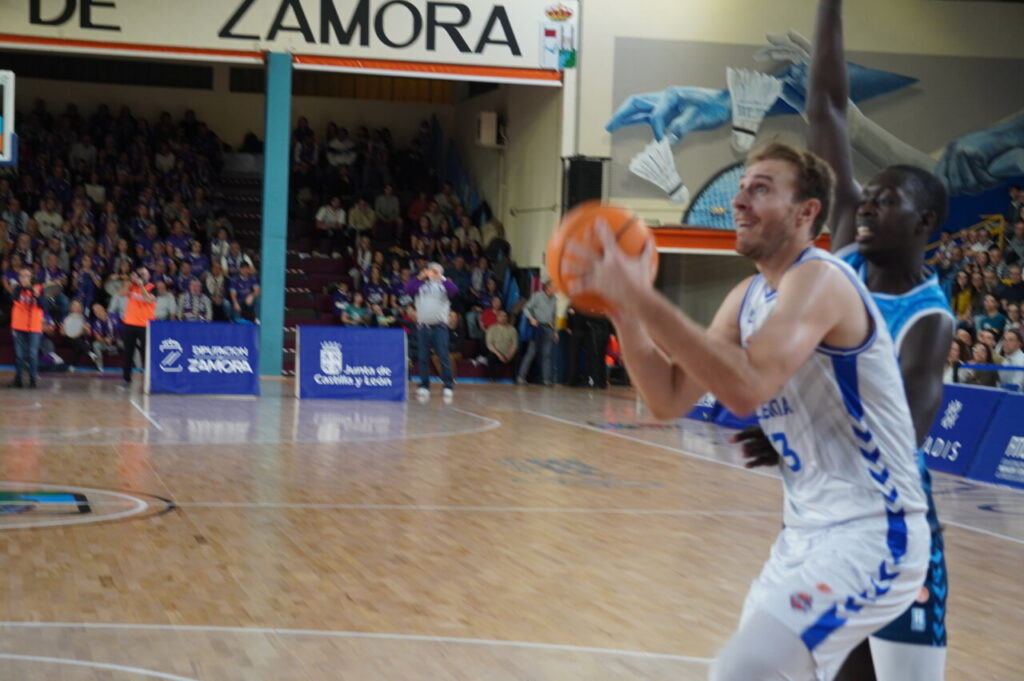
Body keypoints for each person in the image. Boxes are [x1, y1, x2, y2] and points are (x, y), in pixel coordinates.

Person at [564, 141, 929, 681]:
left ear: (806, 212)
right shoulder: (747, 296)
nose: (739, 201)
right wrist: (624, 312)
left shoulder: (820, 279)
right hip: (804, 535)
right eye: (740, 189)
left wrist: (642, 297)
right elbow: (667, 397)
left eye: (760, 189)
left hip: (876, 532)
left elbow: (746, 387)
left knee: (745, 670)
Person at [731, 5, 955, 680]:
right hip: (822, 523)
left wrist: (789, 424)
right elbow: (827, 104)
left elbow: (900, 431)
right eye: (868, 196)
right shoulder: (843, 256)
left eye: (886, 201)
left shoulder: (927, 318)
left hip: (890, 527)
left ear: (926, 223)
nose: (867, 208)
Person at [404, 262, 458, 399]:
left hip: (440, 328)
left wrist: (441, 277)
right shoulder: (420, 286)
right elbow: (408, 289)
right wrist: (419, 277)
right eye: (431, 270)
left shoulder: (444, 286)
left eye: (436, 271)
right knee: (423, 358)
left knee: (443, 357)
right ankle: (424, 385)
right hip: (423, 327)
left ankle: (447, 386)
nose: (432, 273)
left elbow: (455, 291)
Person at [516, 280, 558, 386]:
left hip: (549, 328)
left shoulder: (555, 300)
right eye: (554, 287)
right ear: (548, 288)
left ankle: (546, 380)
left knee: (547, 354)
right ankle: (521, 377)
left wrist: (556, 332)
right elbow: (526, 308)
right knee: (531, 352)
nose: (556, 289)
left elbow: (555, 317)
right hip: (537, 326)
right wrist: (531, 318)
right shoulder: (537, 296)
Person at [9, 268, 44, 388]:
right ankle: (18, 380)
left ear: (31, 277)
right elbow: (13, 298)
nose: (24, 278)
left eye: (27, 275)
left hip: (34, 327)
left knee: (32, 355)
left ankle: (33, 380)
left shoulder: (39, 288)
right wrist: (25, 288)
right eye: (22, 275)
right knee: (19, 355)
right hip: (18, 326)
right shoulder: (17, 288)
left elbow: (43, 305)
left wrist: (36, 295)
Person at [120, 267, 156, 385]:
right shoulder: (132, 286)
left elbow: (147, 299)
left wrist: (141, 286)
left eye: (144, 274)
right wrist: (130, 282)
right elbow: (121, 293)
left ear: (148, 276)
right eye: (139, 274)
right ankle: (126, 379)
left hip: (145, 325)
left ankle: (150, 379)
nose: (142, 276)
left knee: (147, 353)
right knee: (128, 352)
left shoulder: (152, 287)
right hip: (130, 323)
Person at [485, 309, 518, 382]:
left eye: (505, 316)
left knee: (518, 357)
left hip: (508, 354)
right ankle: (492, 378)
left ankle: (516, 378)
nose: (503, 318)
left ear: (507, 318)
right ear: (497, 317)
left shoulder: (512, 330)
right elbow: (490, 345)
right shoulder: (491, 329)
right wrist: (499, 355)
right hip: (496, 353)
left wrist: (509, 356)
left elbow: (514, 345)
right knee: (490, 357)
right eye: (501, 316)